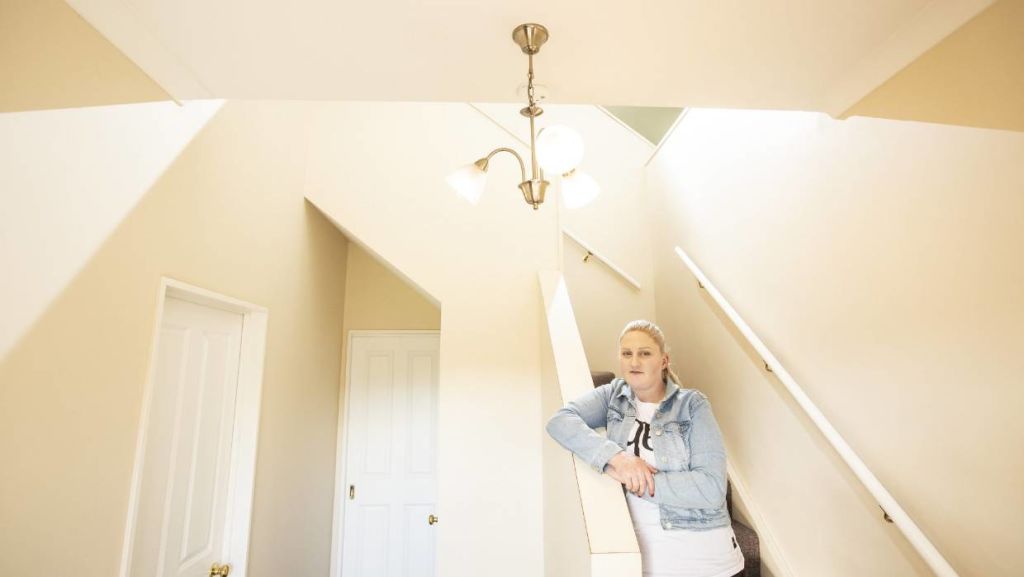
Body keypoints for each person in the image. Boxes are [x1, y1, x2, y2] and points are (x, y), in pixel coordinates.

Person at [546, 320, 744, 577]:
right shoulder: (612, 396)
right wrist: (619, 459)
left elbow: (711, 488)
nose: (634, 362)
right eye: (627, 353)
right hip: (645, 562)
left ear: (663, 361)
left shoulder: (691, 405)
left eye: (644, 353)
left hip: (706, 560)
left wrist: (638, 481)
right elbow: (560, 422)